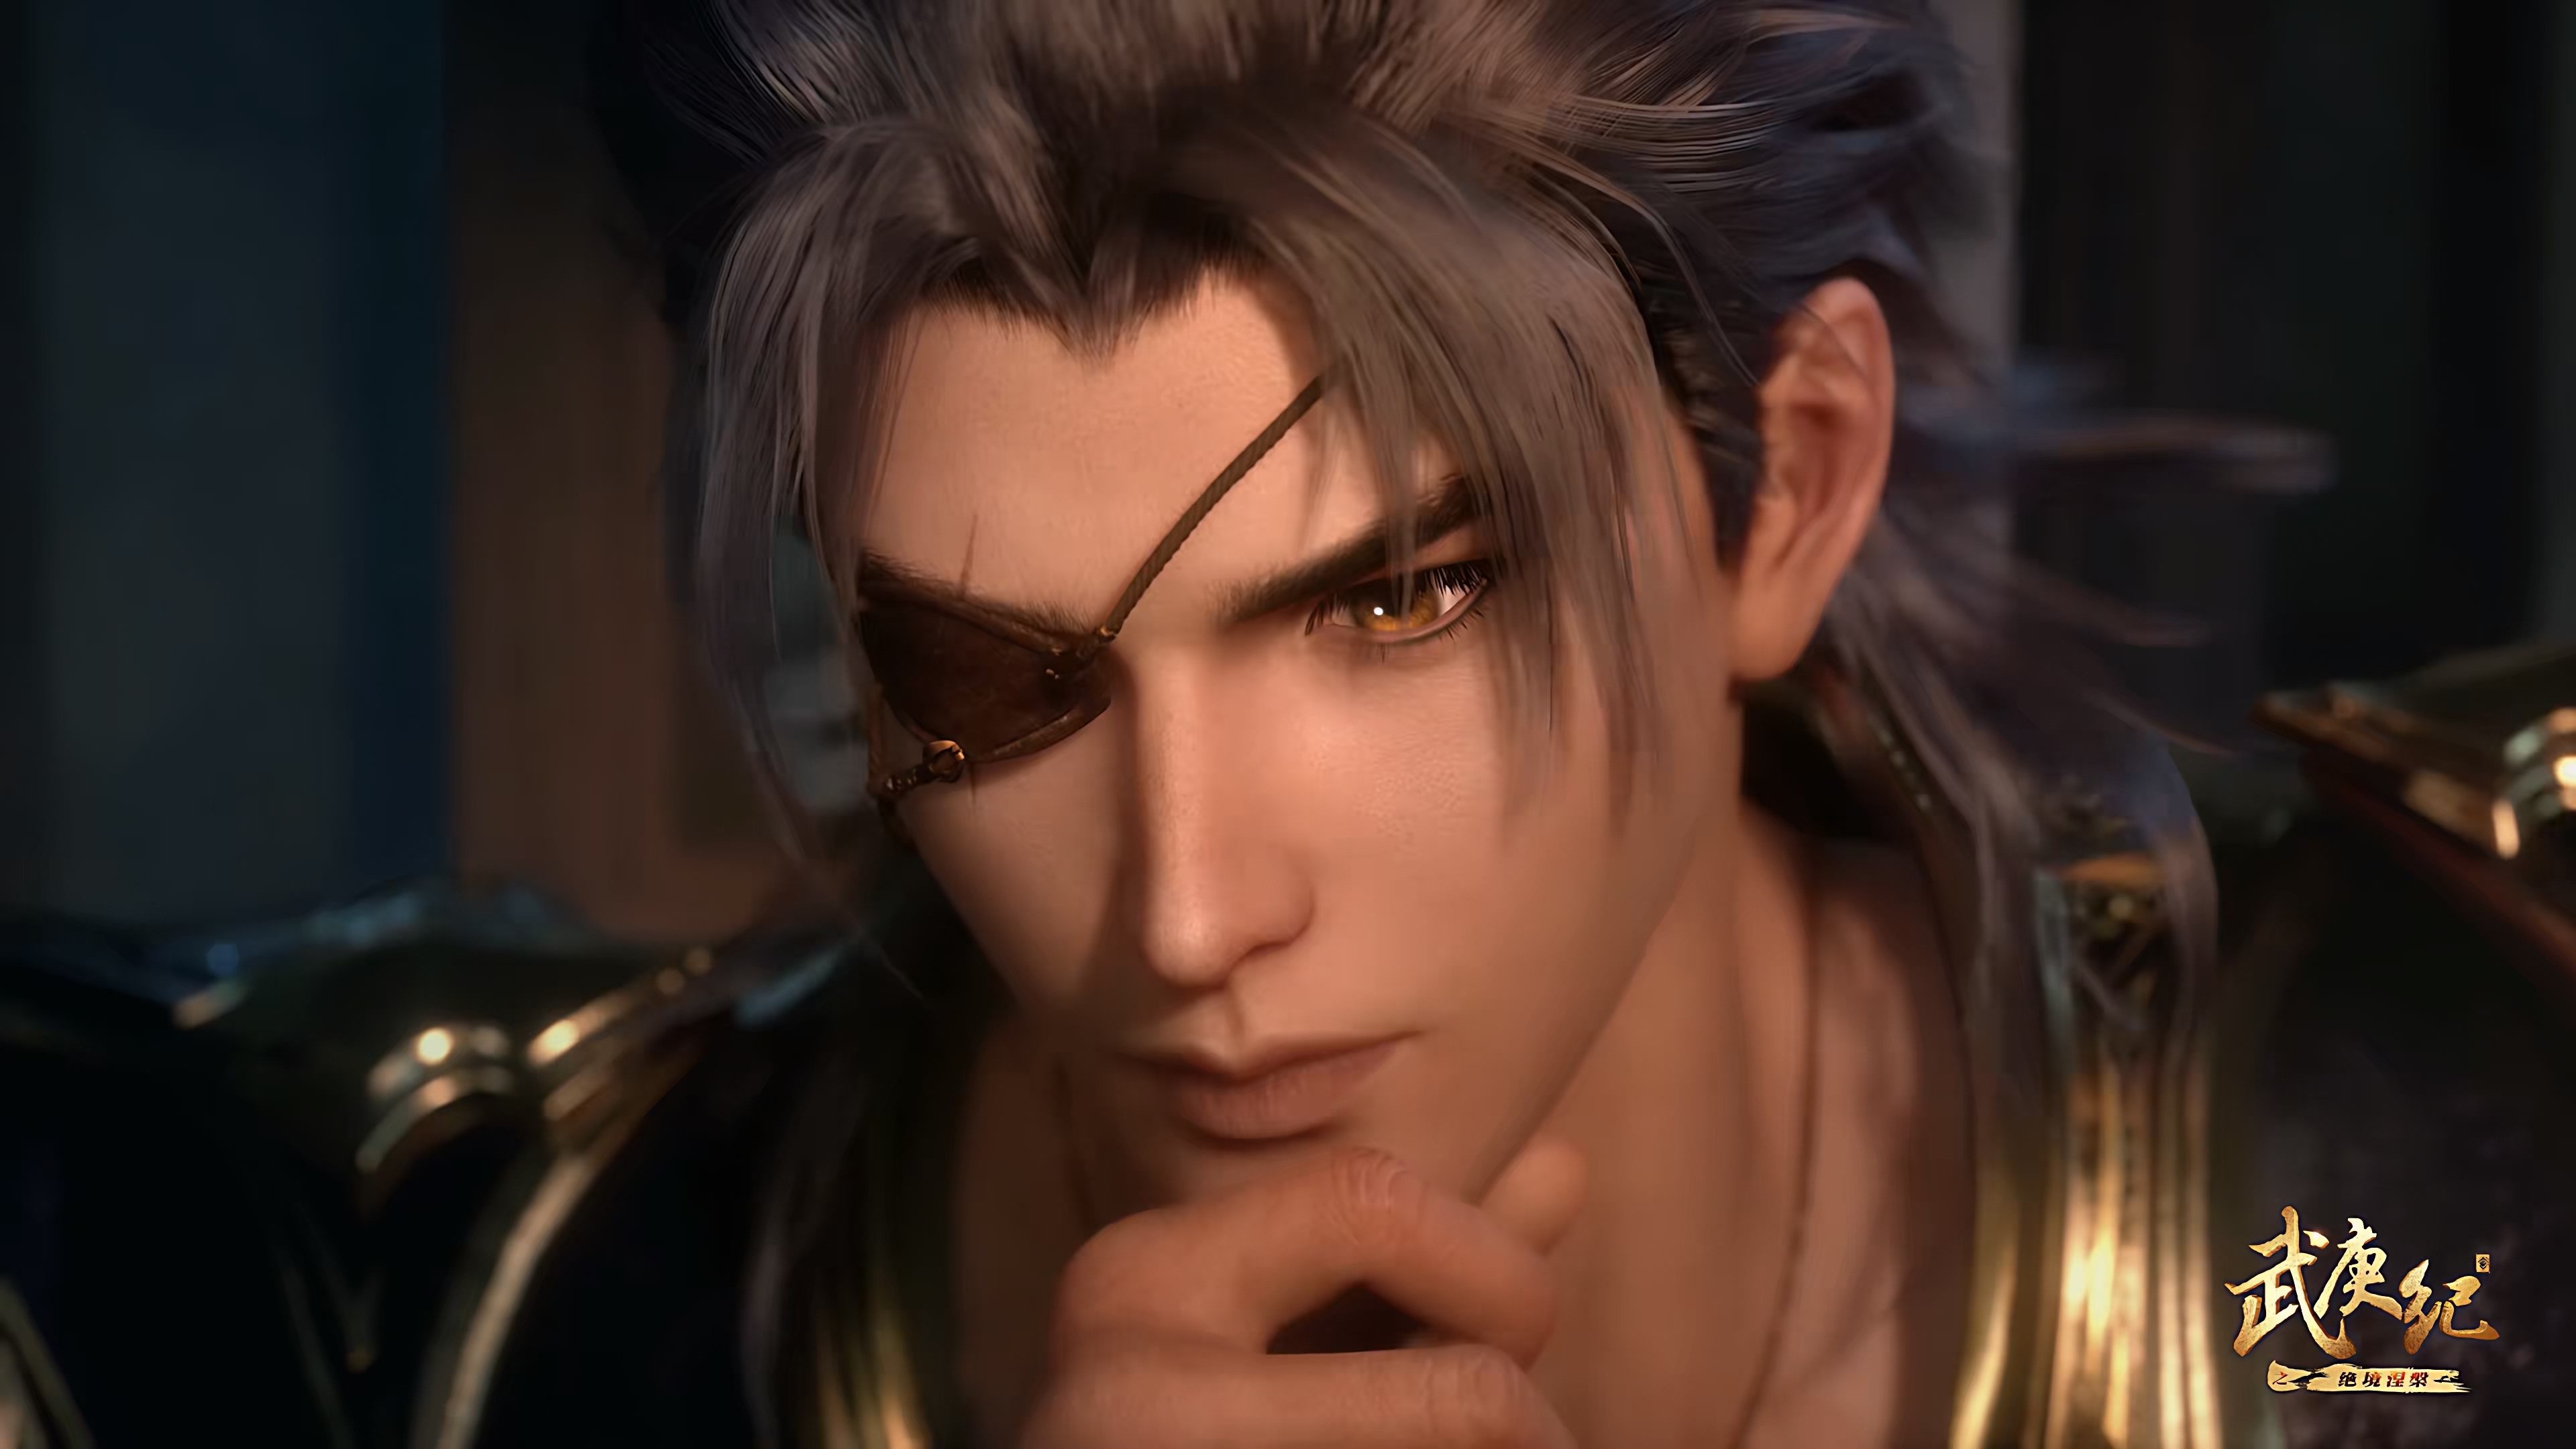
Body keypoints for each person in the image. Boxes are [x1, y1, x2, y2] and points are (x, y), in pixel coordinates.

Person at [647, 1, 2220, 1446]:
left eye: (1403, 599)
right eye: (987, 675)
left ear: (1792, 487)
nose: (1191, 920)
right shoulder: (602, 1296)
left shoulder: (2321, 1216)